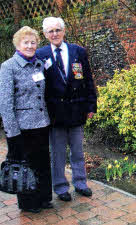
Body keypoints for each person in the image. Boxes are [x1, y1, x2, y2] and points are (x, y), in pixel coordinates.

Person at [36, 17, 97, 201]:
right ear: (45, 35)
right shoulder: (40, 54)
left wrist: (91, 105)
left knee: (78, 151)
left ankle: (80, 183)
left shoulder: (78, 51)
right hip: (55, 113)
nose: (54, 34)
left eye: (57, 30)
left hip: (77, 109)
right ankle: (61, 187)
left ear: (64, 31)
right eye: (50, 31)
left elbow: (88, 80)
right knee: (58, 153)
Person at [0, 26, 52, 213]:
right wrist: (12, 134)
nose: (30, 46)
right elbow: (5, 103)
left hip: (42, 124)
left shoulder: (39, 63)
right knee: (25, 166)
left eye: (33, 42)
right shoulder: (8, 67)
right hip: (22, 127)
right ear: (17, 44)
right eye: (26, 42)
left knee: (42, 164)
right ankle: (29, 203)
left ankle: (44, 198)